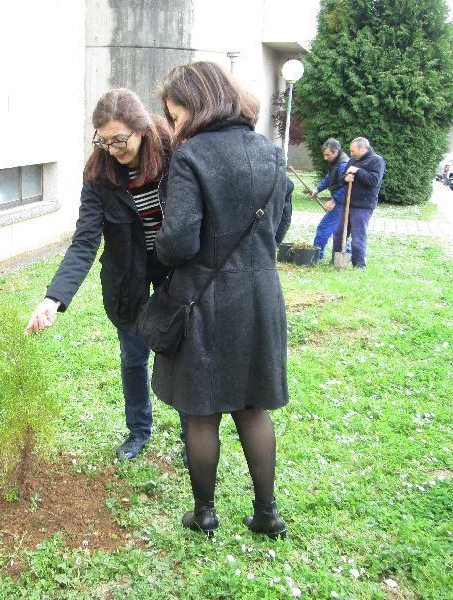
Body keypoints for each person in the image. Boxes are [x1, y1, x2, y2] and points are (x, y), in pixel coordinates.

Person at [153, 61, 292, 537]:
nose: (173, 126)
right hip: (260, 296)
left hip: (204, 299)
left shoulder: (190, 157)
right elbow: (279, 228)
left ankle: (205, 514)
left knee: (201, 410)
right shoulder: (271, 154)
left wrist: (159, 247)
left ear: (195, 105)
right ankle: (267, 515)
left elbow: (180, 242)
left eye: (175, 115)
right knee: (253, 407)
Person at [25, 89, 184, 460]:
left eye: (119, 140)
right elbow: (84, 242)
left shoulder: (173, 154)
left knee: (181, 354)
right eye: (104, 141)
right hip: (126, 276)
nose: (112, 149)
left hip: (173, 270)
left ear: (141, 129)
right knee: (133, 356)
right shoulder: (99, 173)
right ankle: (139, 431)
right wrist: (53, 298)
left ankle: (193, 432)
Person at [332, 137, 386, 268]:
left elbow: (374, 181)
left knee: (358, 235)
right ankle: (337, 261)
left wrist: (358, 171)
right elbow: (341, 179)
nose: (351, 154)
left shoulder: (377, 161)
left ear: (363, 148)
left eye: (353, 151)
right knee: (339, 233)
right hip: (347, 203)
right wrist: (346, 178)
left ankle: (359, 264)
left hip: (363, 205)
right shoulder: (353, 160)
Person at [311, 138, 351, 260]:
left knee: (324, 227)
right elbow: (329, 178)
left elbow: (346, 187)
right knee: (339, 230)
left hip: (341, 202)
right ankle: (348, 254)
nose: (325, 158)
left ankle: (316, 255)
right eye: (324, 154)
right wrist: (317, 189)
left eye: (328, 155)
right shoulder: (336, 162)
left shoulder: (343, 164)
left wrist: (334, 201)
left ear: (336, 151)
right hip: (340, 202)